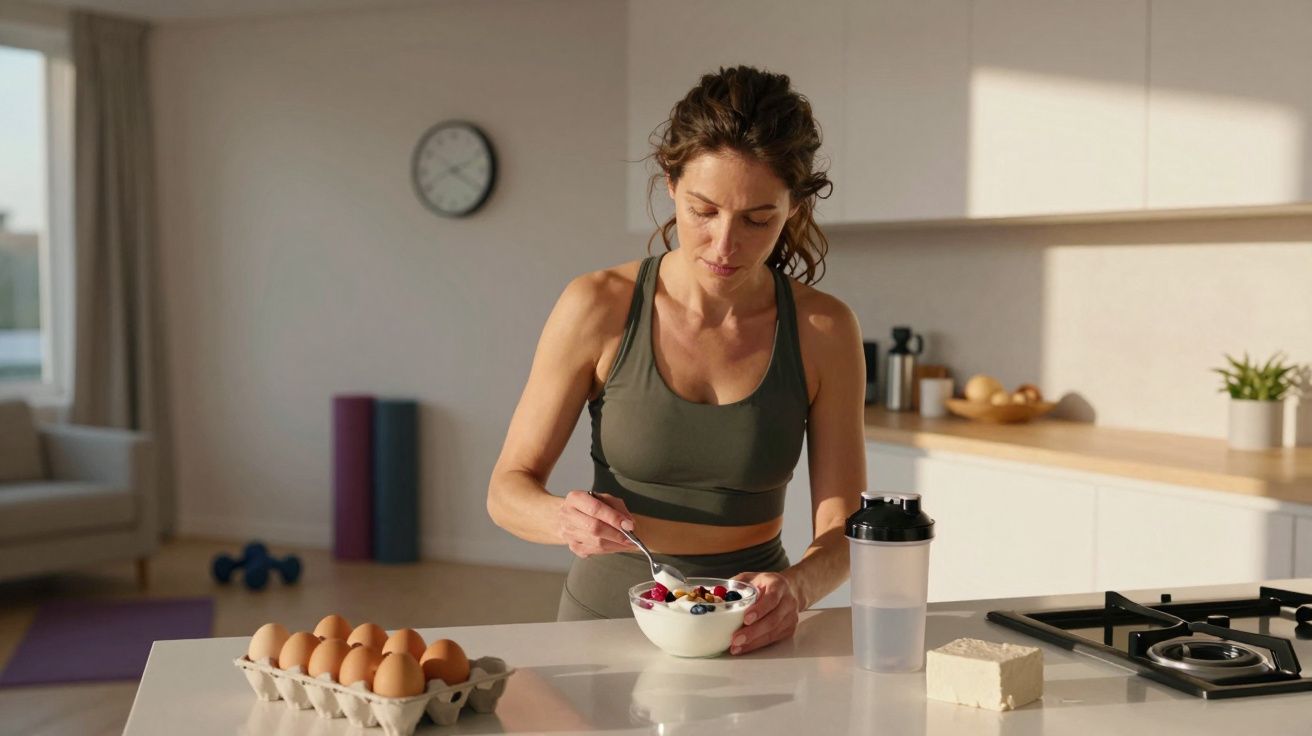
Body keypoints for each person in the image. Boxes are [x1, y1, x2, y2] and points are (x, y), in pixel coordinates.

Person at [487, 65, 865, 655]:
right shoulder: (597, 306)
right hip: (605, 625)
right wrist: (565, 519)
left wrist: (796, 589)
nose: (724, 244)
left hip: (753, 629)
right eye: (703, 210)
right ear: (670, 182)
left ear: (793, 206)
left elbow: (843, 532)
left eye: (757, 219)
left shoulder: (825, 329)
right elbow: (506, 491)